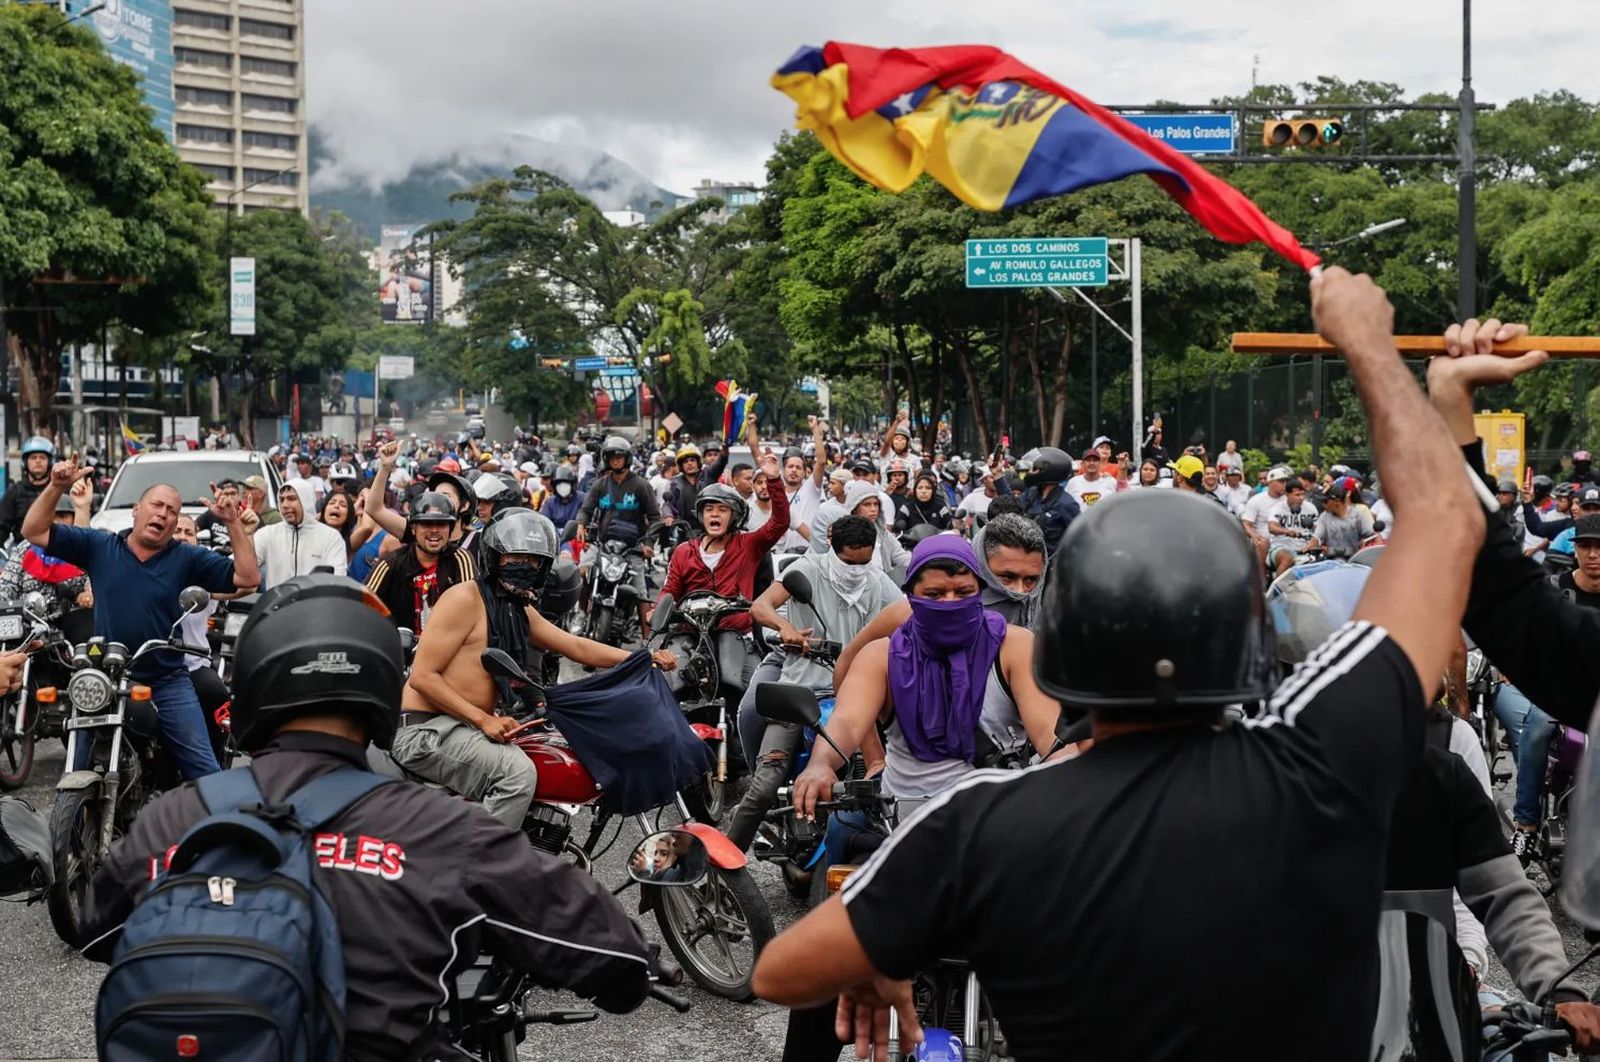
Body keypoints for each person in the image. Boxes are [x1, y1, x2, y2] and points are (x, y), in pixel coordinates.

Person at [753, 267, 1483, 1062]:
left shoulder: (978, 824)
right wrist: (1372, 348)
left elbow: (782, 972)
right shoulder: (1327, 758)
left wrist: (878, 953)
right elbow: (1446, 520)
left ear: (1062, 640)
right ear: (1248, 640)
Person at [78, 575, 655, 1061]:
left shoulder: (176, 815)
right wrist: (633, 976)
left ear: (252, 681)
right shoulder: (438, 827)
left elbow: (97, 929)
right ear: (380, 684)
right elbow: (610, 951)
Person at [396, 510, 674, 828]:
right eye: (515, 557)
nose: (525, 566)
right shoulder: (464, 599)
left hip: (461, 727)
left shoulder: (515, 609)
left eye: (533, 561)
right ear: (494, 556)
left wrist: (642, 657)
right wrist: (484, 719)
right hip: (425, 730)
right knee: (515, 774)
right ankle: (483, 858)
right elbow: (422, 677)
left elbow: (575, 646)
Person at [23, 459, 261, 780]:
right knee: (75, 768)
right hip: (107, 676)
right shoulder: (101, 545)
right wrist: (56, 486)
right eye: (156, 505)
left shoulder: (187, 557)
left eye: (172, 511)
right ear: (136, 510)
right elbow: (34, 531)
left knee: (205, 773)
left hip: (167, 680)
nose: (163, 514)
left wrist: (232, 522)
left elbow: (248, 578)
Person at [728, 514, 902, 853]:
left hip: (853, 696)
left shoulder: (876, 581)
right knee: (764, 786)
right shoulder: (808, 569)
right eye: (849, 562)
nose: (856, 570)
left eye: (864, 562)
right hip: (799, 693)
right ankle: (721, 862)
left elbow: (906, 615)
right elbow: (760, 607)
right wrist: (786, 628)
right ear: (833, 548)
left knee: (881, 781)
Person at [660, 461, 790, 629]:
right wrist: (657, 610)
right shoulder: (683, 551)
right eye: (709, 509)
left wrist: (774, 480)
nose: (715, 514)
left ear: (734, 517)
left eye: (722, 509)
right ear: (701, 515)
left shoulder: (749, 544)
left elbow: (780, 522)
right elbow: (670, 591)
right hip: (690, 633)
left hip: (737, 634)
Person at [575, 436, 661, 636]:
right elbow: (586, 509)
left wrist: (649, 543)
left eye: (619, 456)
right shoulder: (600, 484)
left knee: (641, 593)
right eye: (611, 456)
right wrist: (580, 525)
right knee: (582, 572)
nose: (615, 459)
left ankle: (647, 642)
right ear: (606, 459)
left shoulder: (641, 485)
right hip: (603, 545)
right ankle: (581, 613)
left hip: (632, 549)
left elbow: (655, 517)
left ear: (627, 458)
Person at [364, 491, 477, 634]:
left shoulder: (460, 559)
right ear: (413, 528)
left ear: (450, 528)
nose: (434, 530)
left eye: (442, 524)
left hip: (450, 645)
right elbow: (363, 604)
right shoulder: (391, 564)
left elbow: (474, 608)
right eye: (426, 524)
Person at [0, 484, 93, 621]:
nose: (56, 522)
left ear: (73, 519)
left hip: (74, 622)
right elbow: (7, 588)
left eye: (63, 516)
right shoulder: (24, 549)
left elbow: (96, 579)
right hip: (30, 625)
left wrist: (88, 594)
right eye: (50, 516)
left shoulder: (82, 546)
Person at [253, 480, 349, 589]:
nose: (284, 505)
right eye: (281, 500)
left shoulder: (331, 537)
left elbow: (338, 580)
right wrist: (245, 535)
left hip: (317, 599)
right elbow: (242, 569)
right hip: (276, 600)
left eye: (291, 499)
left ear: (306, 501)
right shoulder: (268, 534)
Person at [994, 446, 1079, 556]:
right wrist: (997, 474)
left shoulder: (1066, 504)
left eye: (1034, 469)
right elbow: (1010, 506)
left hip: (1051, 563)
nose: (1029, 472)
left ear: (1048, 472)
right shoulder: (1032, 494)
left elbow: (1080, 537)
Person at [0, 436, 56, 546]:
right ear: (25, 462)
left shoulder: (58, 490)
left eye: (42, 457)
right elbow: (2, 527)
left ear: (50, 462)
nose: (38, 461)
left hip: (55, 549)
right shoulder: (15, 492)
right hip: (22, 550)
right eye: (33, 458)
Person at [1308, 476, 1378, 560]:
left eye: (1326, 501)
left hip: (1356, 561)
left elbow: (1372, 536)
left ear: (1337, 501)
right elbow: (1316, 537)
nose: (1323, 504)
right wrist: (1310, 547)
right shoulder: (1325, 516)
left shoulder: (1360, 512)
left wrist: (1364, 549)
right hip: (1330, 561)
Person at [1265, 479, 1318, 576]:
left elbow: (1318, 530)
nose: (1301, 498)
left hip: (1305, 548)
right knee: (1287, 559)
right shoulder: (1278, 508)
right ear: (1287, 494)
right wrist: (1286, 531)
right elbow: (1272, 527)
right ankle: (1278, 585)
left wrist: (1313, 543)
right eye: (1297, 495)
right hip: (1281, 546)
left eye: (1303, 494)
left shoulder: (1311, 508)